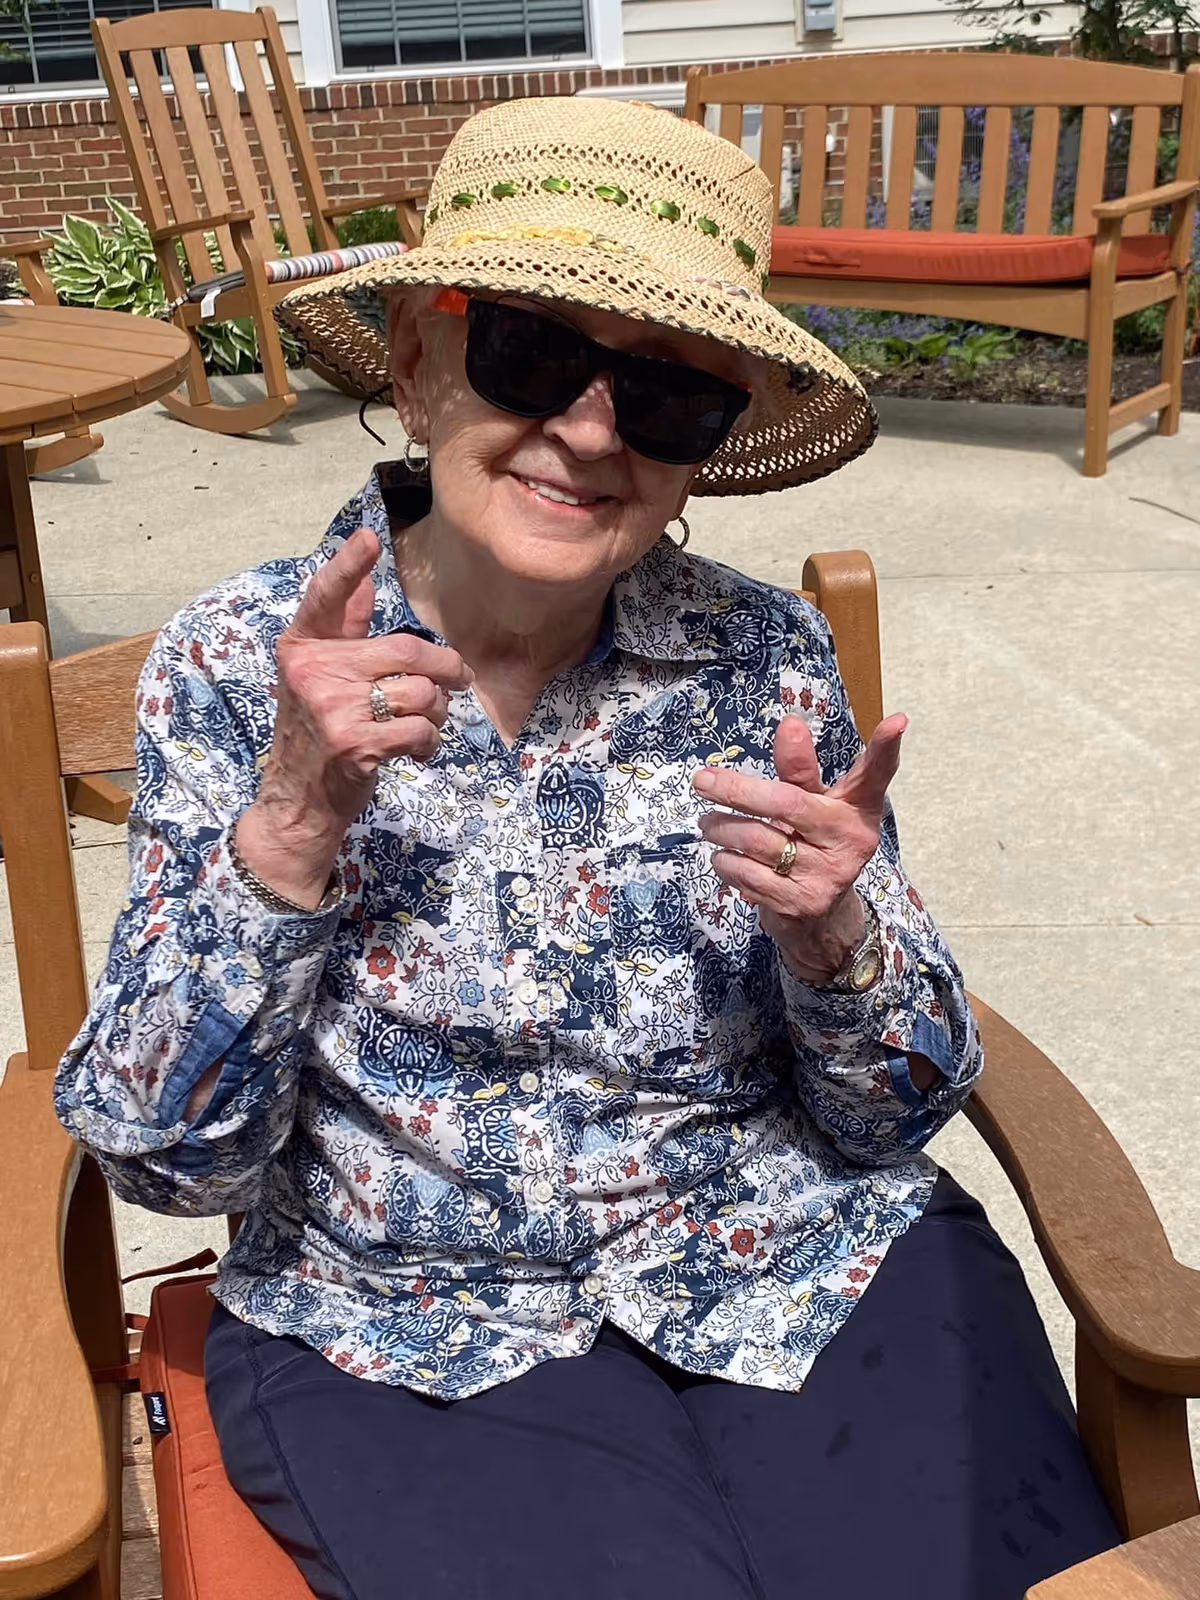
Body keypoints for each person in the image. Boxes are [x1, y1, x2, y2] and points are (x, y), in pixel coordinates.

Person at [54, 97, 1117, 1600]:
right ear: (423, 360)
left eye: (669, 397)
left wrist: (840, 946)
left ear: (710, 446)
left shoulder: (766, 662)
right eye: (535, 354)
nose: (593, 429)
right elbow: (168, 1162)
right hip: (410, 1326)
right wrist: (291, 828)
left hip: (800, 1267)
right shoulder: (240, 666)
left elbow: (891, 1121)